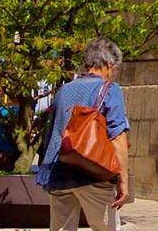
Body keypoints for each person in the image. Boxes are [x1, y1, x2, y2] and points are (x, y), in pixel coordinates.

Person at [35, 38, 131, 231]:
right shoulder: (110, 90)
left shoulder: (64, 90)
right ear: (108, 65)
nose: (114, 74)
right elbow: (117, 137)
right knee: (105, 228)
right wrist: (123, 180)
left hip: (60, 172)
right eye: (115, 69)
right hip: (94, 173)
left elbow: (53, 132)